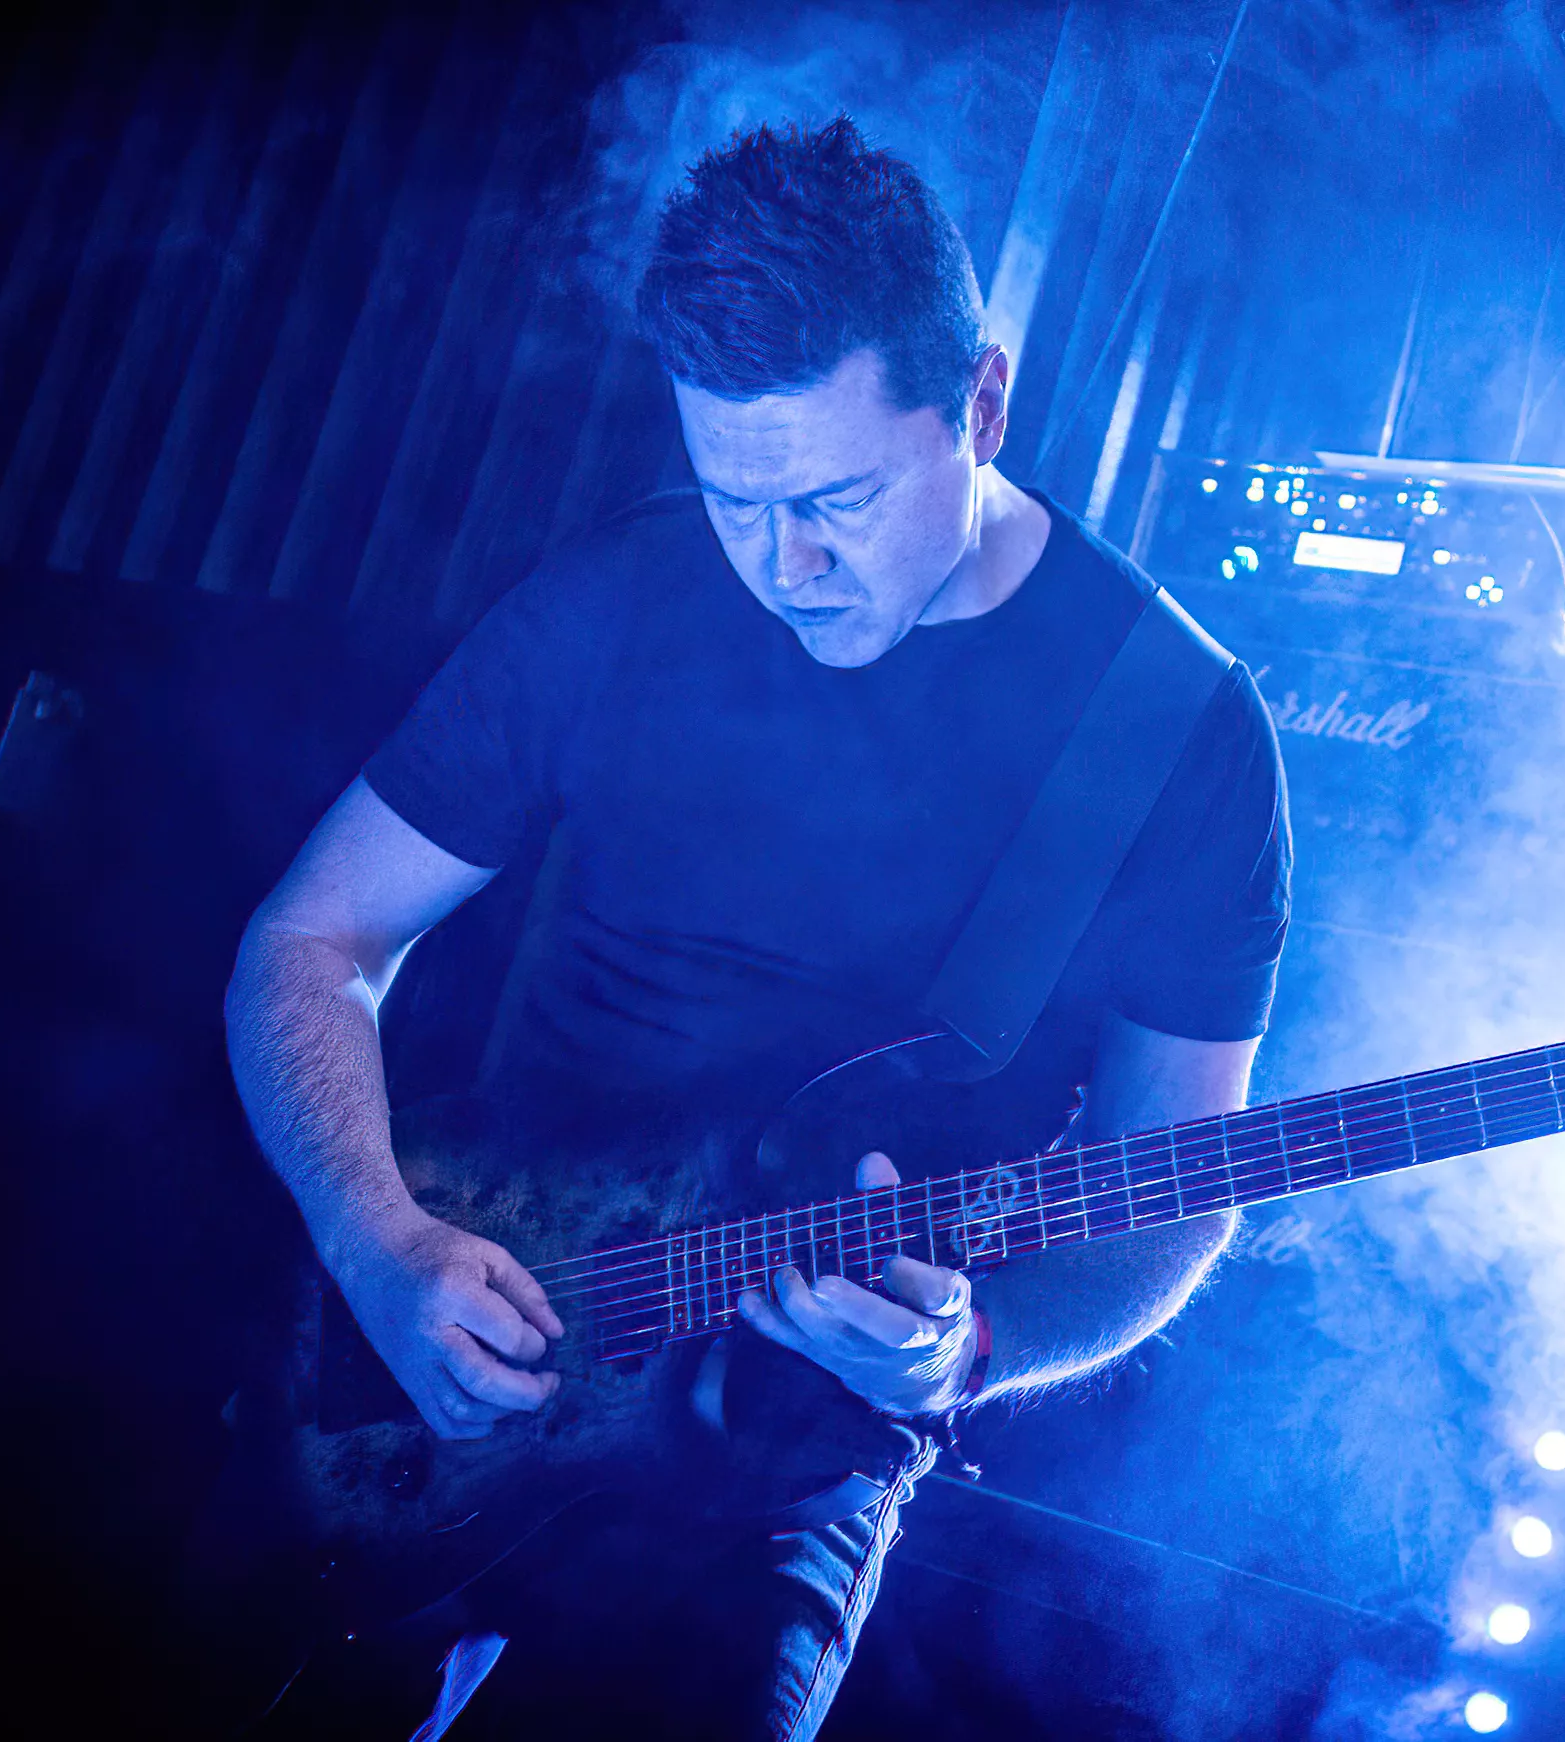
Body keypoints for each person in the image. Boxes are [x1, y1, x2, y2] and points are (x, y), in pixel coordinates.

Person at [221, 116, 1289, 1738]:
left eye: (840, 497)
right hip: (451, 1342)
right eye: (737, 498)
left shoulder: (1179, 731)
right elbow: (310, 943)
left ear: (982, 404)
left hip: (775, 1480)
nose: (787, 565)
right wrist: (377, 1241)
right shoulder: (622, 595)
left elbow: (1174, 1188)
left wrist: (977, 1347)